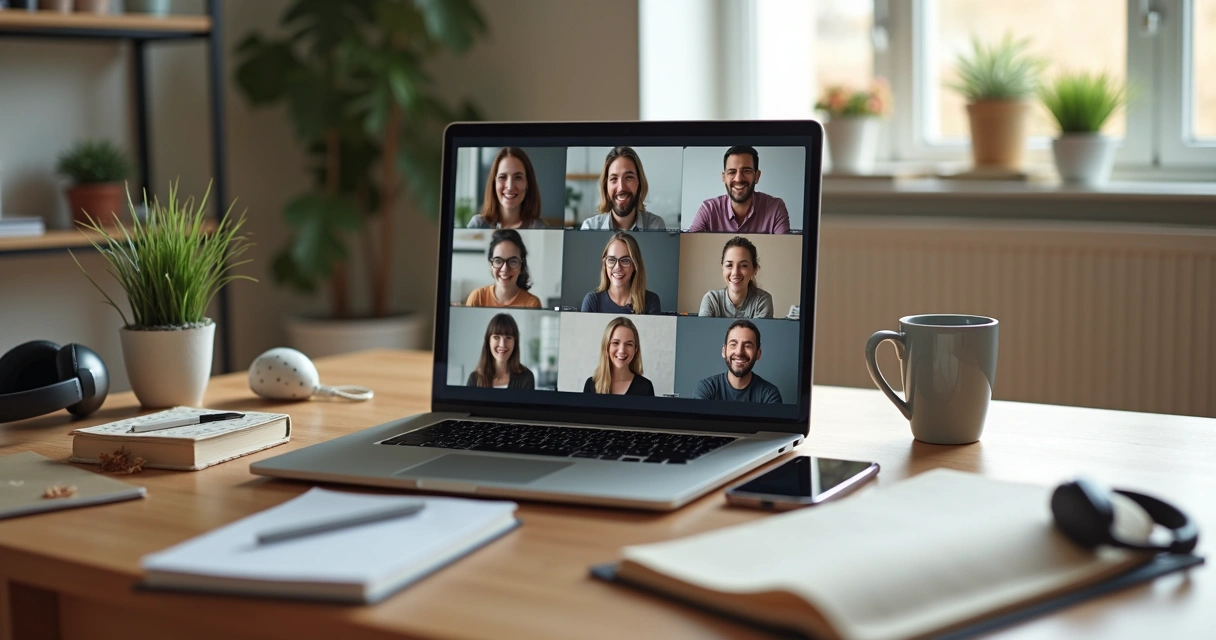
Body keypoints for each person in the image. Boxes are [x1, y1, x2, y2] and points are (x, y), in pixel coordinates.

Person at [686, 145, 790, 234]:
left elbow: (784, 253)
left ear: (757, 176)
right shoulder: (709, 209)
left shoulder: (776, 208)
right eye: (732, 172)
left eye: (746, 171)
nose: (738, 179)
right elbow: (690, 250)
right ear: (724, 177)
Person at [579, 146, 667, 231]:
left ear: (639, 182)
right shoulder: (590, 227)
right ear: (606, 186)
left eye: (628, 177)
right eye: (614, 179)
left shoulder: (655, 226)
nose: (621, 188)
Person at [693, 320, 783, 403]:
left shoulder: (769, 394)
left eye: (747, 346)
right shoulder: (706, 388)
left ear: (758, 354)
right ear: (724, 351)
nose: (739, 352)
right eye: (733, 345)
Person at [580, 231, 662, 314]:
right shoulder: (592, 301)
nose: (617, 267)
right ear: (604, 263)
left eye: (625, 261)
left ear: (635, 265)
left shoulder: (651, 301)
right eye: (611, 260)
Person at [468, 147, 547, 229]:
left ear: (528, 183)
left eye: (518, 177)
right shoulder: (478, 225)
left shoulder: (539, 228)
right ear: (494, 183)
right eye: (502, 177)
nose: (510, 186)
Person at [699, 236, 774, 318]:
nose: (735, 273)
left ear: (754, 269)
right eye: (729, 265)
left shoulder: (762, 300)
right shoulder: (711, 299)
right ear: (722, 269)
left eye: (744, 265)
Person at [465, 229, 543, 308]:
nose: (505, 269)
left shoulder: (532, 303)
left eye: (513, 261)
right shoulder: (477, 297)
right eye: (498, 261)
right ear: (491, 265)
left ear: (521, 265)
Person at [583, 317, 654, 396]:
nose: (622, 350)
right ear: (606, 347)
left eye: (629, 344)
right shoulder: (591, 385)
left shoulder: (645, 387)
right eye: (616, 343)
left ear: (636, 349)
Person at [466, 313, 536, 389]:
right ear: (488, 341)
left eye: (508, 337)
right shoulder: (474, 379)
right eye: (496, 337)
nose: (502, 345)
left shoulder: (526, 378)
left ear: (515, 343)